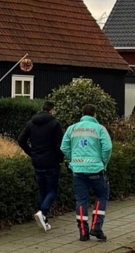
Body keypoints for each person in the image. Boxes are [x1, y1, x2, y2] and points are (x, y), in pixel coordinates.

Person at [60, 104, 113, 242]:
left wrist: (72, 159)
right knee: (102, 196)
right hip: (96, 170)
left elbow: (64, 147)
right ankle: (96, 227)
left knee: (81, 200)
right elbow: (107, 148)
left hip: (77, 170)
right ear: (94, 114)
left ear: (82, 114)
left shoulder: (72, 128)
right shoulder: (100, 129)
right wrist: (103, 162)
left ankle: (83, 232)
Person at [18, 100, 65, 232]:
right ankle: (43, 212)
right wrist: (60, 158)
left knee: (42, 190)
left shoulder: (31, 123)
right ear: (51, 110)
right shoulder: (55, 124)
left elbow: (21, 140)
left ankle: (44, 221)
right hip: (51, 162)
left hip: (37, 161)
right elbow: (59, 145)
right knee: (52, 191)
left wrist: (31, 153)